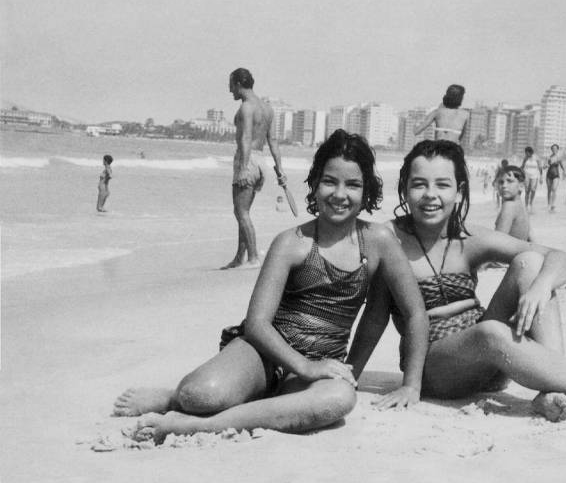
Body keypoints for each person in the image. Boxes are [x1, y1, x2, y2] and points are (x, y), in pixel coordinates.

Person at [113, 130, 430, 443]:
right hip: (263, 353)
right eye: (329, 181)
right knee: (199, 395)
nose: (339, 193)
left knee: (339, 400)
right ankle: (172, 399)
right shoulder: (291, 243)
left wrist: (411, 385)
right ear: (314, 183)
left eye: (353, 184)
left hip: (323, 361)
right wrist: (304, 366)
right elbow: (257, 324)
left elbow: (415, 312)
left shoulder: (378, 242)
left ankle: (203, 425)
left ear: (367, 189)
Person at [356, 140, 566, 436]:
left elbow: (561, 258)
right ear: (404, 189)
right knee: (490, 331)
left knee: (530, 263)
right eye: (419, 184)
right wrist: (351, 374)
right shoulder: (388, 240)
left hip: (489, 361)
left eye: (442, 185)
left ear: (459, 190)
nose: (430, 195)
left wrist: (540, 287)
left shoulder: (470, 238)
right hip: (434, 368)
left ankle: (552, 390)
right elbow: (374, 317)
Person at [222, 67, 289, 270]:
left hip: (248, 160)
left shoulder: (246, 108)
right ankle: (239, 258)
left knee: (241, 212)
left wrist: (243, 167)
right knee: (244, 212)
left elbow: (246, 138)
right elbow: (273, 141)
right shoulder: (267, 109)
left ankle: (252, 258)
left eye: (231, 85)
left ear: (238, 84)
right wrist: (280, 169)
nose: (230, 90)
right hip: (261, 162)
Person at [495, 165, 533, 242]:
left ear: (521, 186)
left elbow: (498, 241)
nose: (504, 186)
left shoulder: (509, 206)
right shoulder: (522, 207)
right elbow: (531, 239)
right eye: (501, 182)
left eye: (509, 181)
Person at [545, 144, 566, 212]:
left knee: (554, 189)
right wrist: (546, 165)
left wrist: (564, 172)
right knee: (549, 190)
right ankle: (548, 204)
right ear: (551, 149)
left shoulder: (559, 157)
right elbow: (544, 166)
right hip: (549, 175)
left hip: (556, 175)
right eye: (553, 148)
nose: (554, 150)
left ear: (557, 149)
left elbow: (562, 166)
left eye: (555, 148)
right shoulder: (548, 157)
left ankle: (553, 204)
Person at [521, 146, 543, 213]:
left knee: (533, 190)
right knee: (527, 191)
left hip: (534, 176)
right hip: (527, 176)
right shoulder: (525, 158)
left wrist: (541, 177)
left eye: (527, 153)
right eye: (525, 153)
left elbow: (540, 168)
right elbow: (522, 166)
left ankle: (531, 203)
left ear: (530, 152)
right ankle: (526, 206)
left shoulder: (536, 158)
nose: (526, 154)